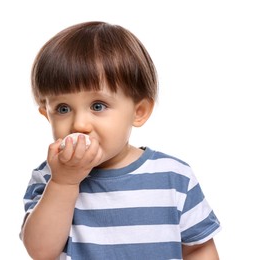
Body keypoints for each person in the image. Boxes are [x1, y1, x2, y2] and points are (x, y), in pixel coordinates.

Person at [20, 21, 221, 260]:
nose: (79, 125)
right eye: (63, 109)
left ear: (139, 112)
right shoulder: (49, 176)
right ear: (46, 114)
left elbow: (198, 248)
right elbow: (41, 252)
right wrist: (64, 183)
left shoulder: (174, 176)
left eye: (98, 106)